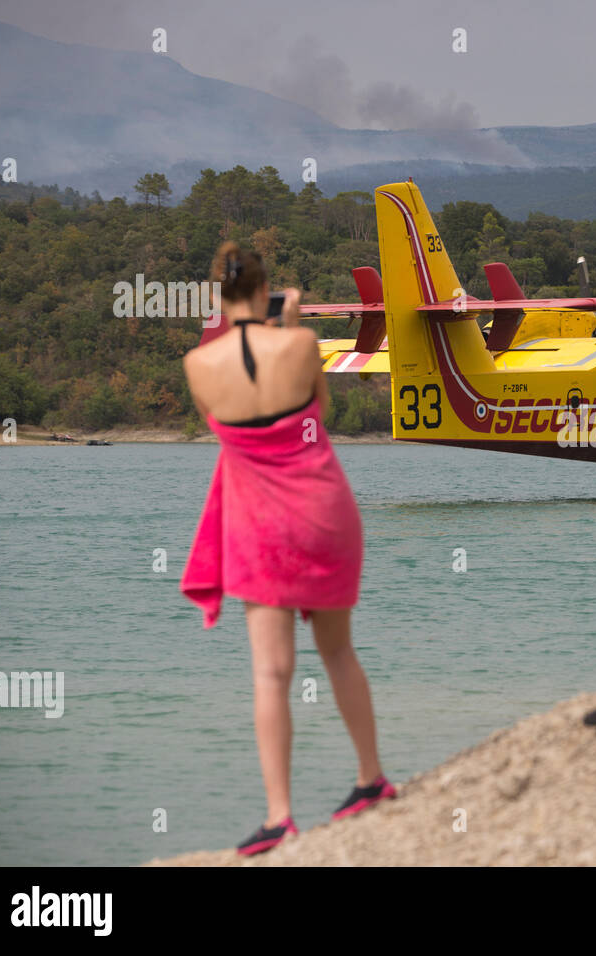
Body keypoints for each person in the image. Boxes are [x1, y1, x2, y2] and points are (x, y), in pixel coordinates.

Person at [180, 242, 395, 856]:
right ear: (266, 289)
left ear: (218, 297)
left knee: (271, 674)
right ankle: (370, 779)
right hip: (324, 513)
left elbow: (230, 424)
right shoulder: (300, 345)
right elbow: (316, 415)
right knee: (339, 652)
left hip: (259, 527)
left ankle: (279, 819)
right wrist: (295, 330)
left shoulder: (199, 367)